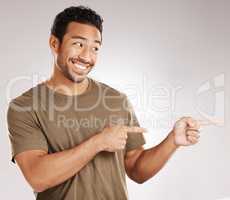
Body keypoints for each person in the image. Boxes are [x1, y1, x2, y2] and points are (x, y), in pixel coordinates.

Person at [7, 6, 201, 200]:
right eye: (78, 44)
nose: (86, 56)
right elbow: (38, 177)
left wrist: (172, 141)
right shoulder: (25, 106)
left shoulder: (116, 101)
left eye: (95, 48)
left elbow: (136, 169)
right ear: (54, 43)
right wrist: (98, 143)